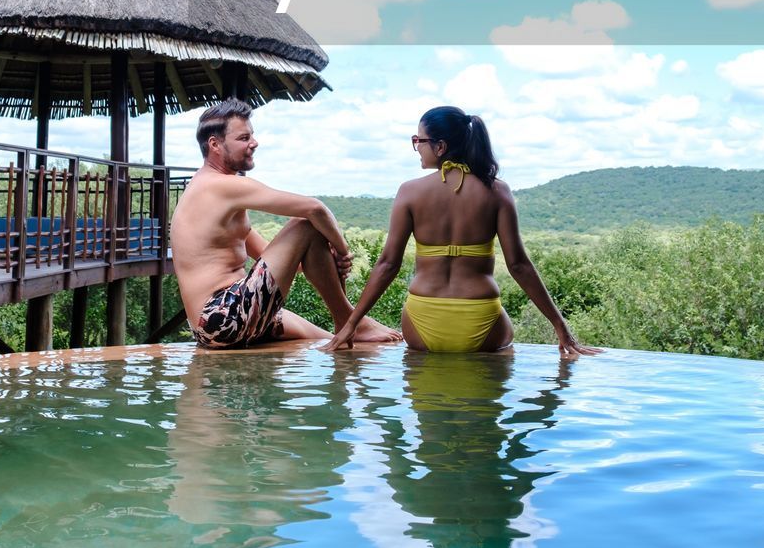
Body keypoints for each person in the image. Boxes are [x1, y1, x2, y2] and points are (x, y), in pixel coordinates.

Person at [324, 105, 601, 357]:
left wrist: (351, 324)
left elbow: (387, 265)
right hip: (482, 320)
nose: (416, 147)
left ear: (440, 146)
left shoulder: (409, 192)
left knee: (428, 409)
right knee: (483, 407)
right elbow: (518, 266)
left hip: (422, 322)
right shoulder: (497, 191)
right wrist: (560, 326)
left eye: (418, 141)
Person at [170, 97, 400, 349]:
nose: (254, 143)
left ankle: (351, 325)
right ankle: (350, 319)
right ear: (215, 144)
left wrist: (326, 253)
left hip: (229, 317)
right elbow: (314, 208)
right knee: (304, 223)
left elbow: (285, 261)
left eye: (252, 136)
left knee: (327, 338)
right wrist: (343, 251)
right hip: (222, 316)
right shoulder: (218, 186)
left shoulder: (214, 197)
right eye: (244, 138)